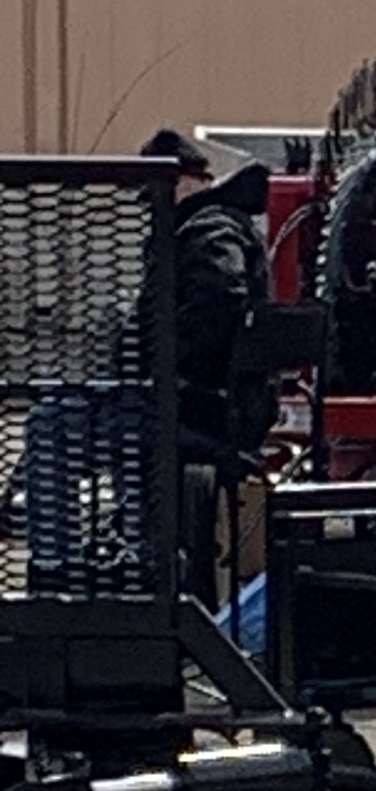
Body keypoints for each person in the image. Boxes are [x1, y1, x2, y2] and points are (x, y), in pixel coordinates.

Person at [139, 127, 276, 601]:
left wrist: (166, 364)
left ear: (181, 181)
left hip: (203, 408)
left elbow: (220, 300)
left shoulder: (205, 227)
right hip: (224, 405)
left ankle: (67, 563)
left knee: (57, 424)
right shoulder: (218, 224)